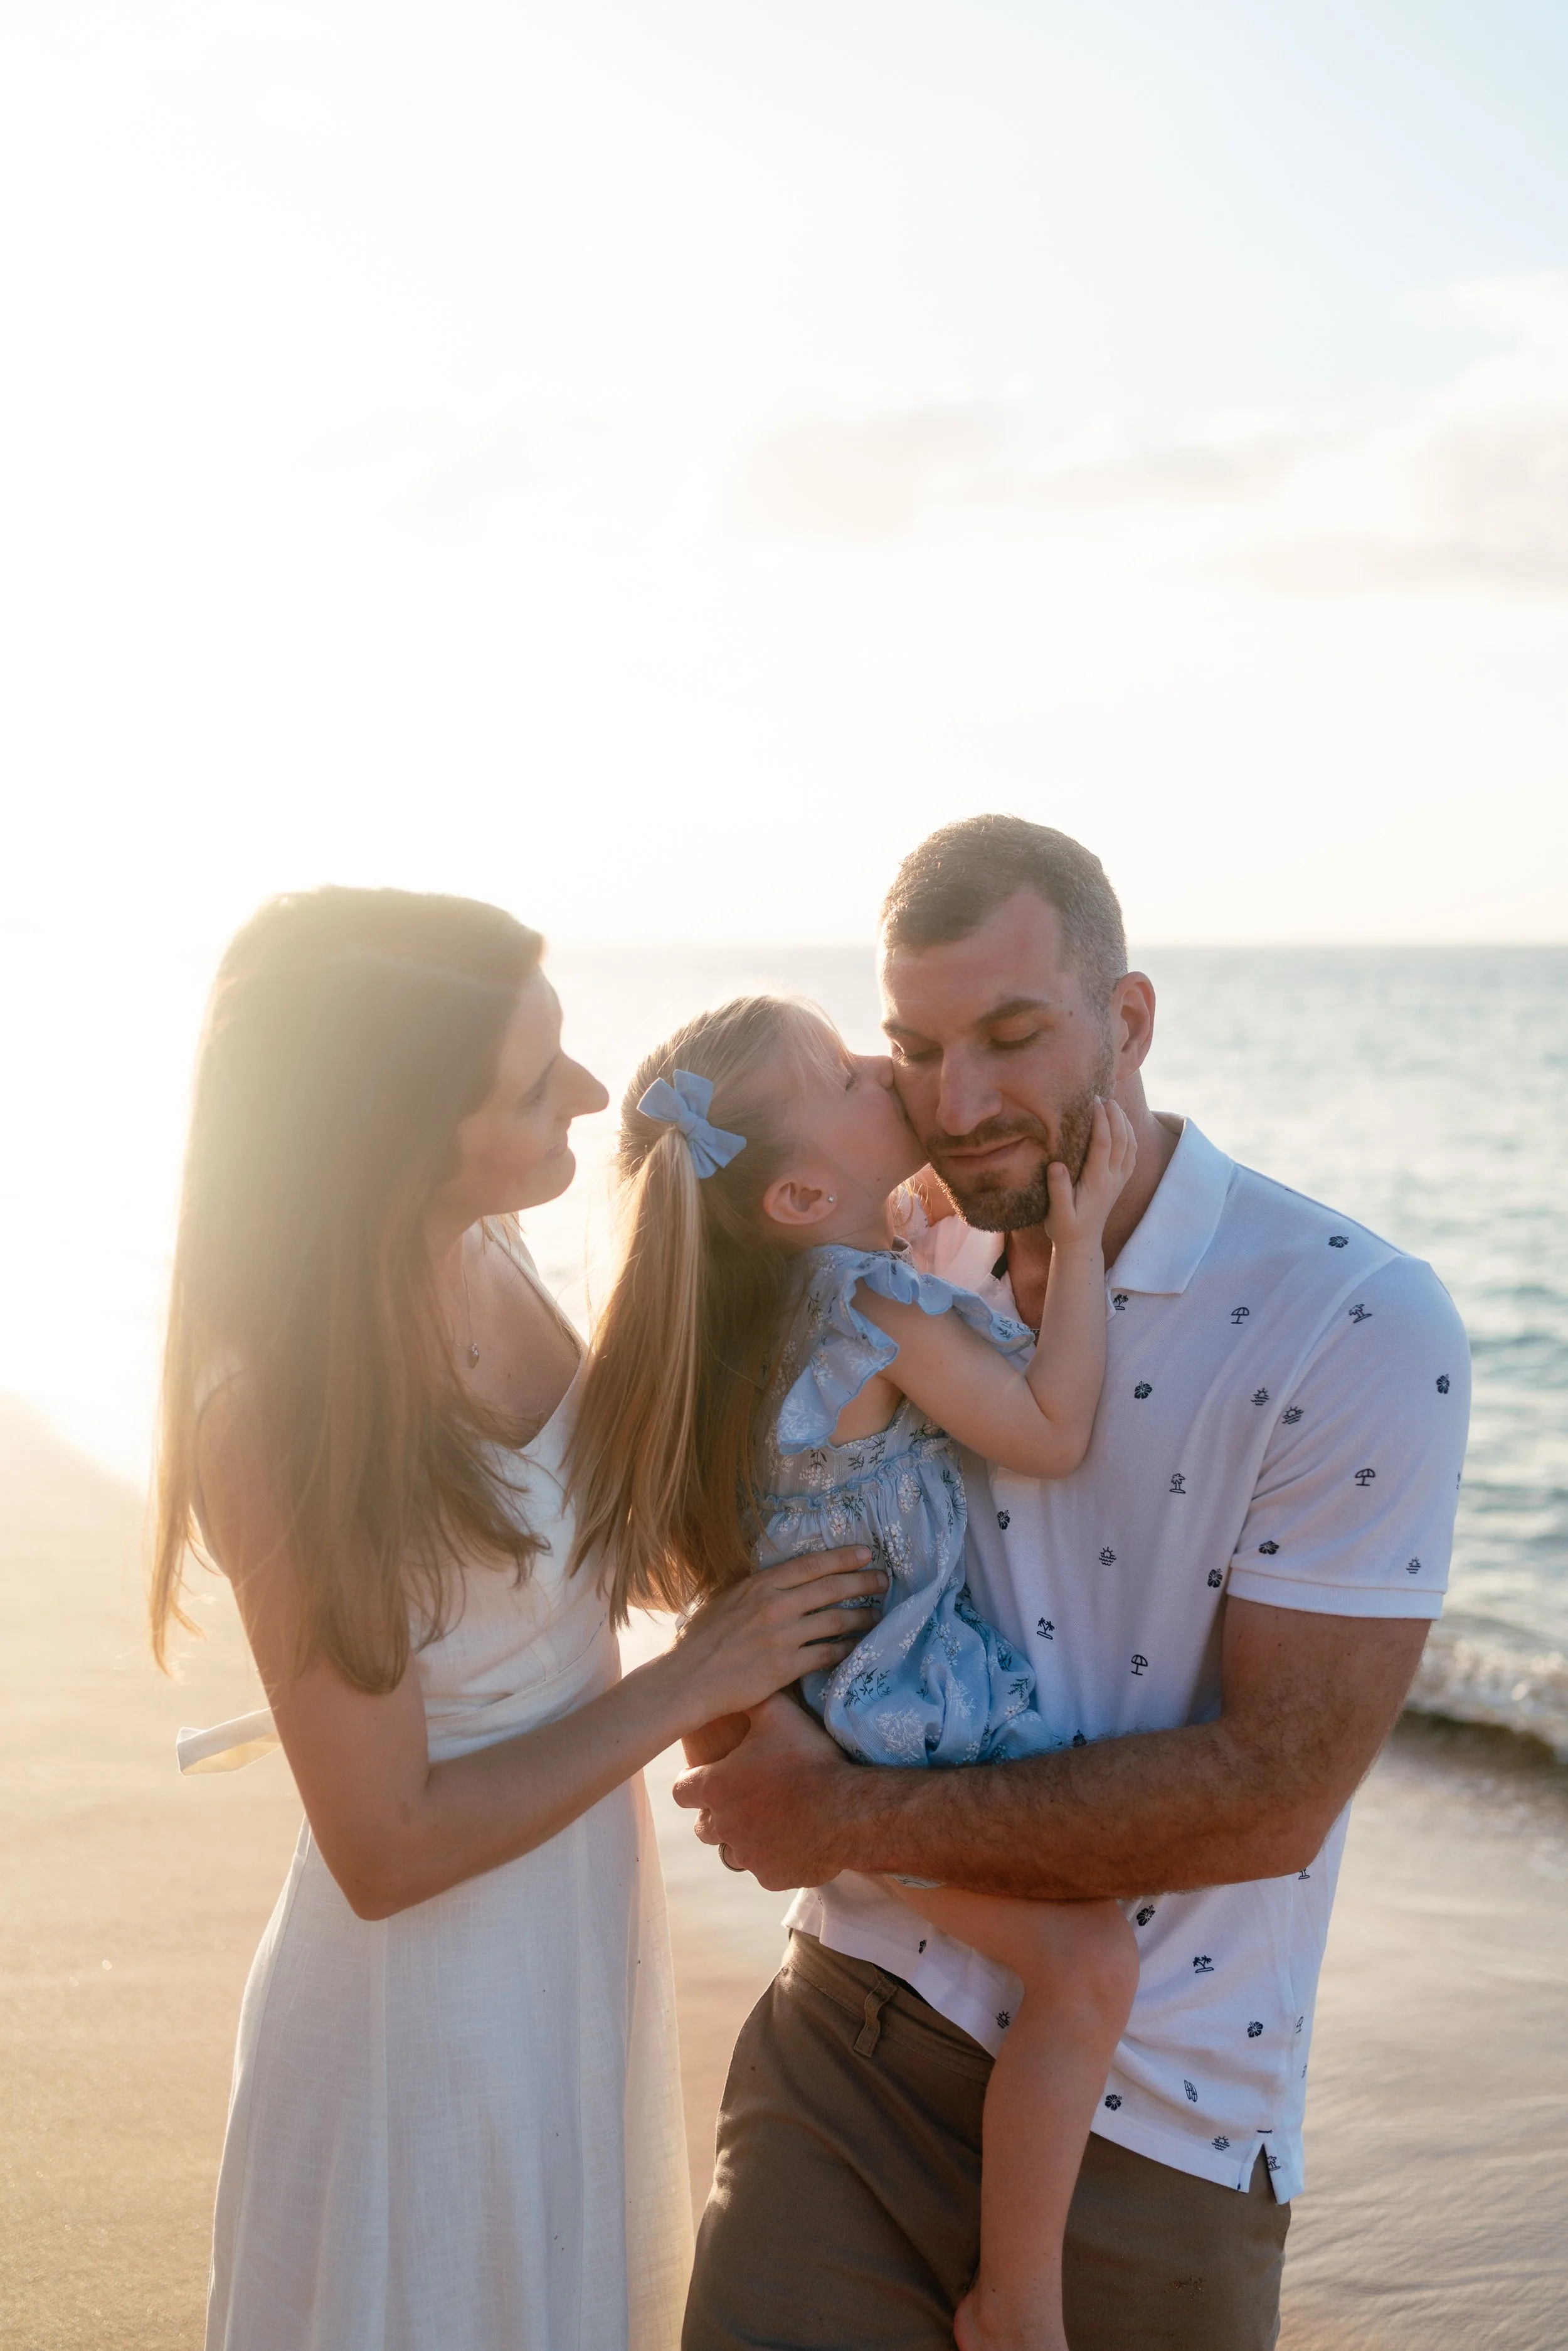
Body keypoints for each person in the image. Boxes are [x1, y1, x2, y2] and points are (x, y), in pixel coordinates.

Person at [674, 815, 1471, 2351]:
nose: (954, 1101)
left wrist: (829, 1810)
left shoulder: (1350, 1320)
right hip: (840, 2038)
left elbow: (1271, 1792)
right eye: (909, 1046)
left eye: (1011, 1035)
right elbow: (736, 1526)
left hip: (1151, 2116)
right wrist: (746, 1726)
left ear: (1130, 1020)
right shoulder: (897, 1250)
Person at [150, 888, 884, 2351]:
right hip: (423, 2004)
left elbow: (597, 1545)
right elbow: (386, 1843)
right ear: (398, 1143)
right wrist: (695, 1683)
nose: (592, 1094)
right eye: (533, 1082)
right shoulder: (281, 1410)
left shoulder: (479, 1246)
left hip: (569, 1925)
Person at [569, 1004, 1141, 2351]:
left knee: (1070, 1953)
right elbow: (1052, 1432)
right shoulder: (864, 1299)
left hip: (836, 1718)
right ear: (799, 1194)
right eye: (845, 1072)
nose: (888, 1068)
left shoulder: (753, 1313)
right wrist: (1079, 1240)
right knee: (1088, 1964)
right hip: (901, 1728)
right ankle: (1016, 2301)